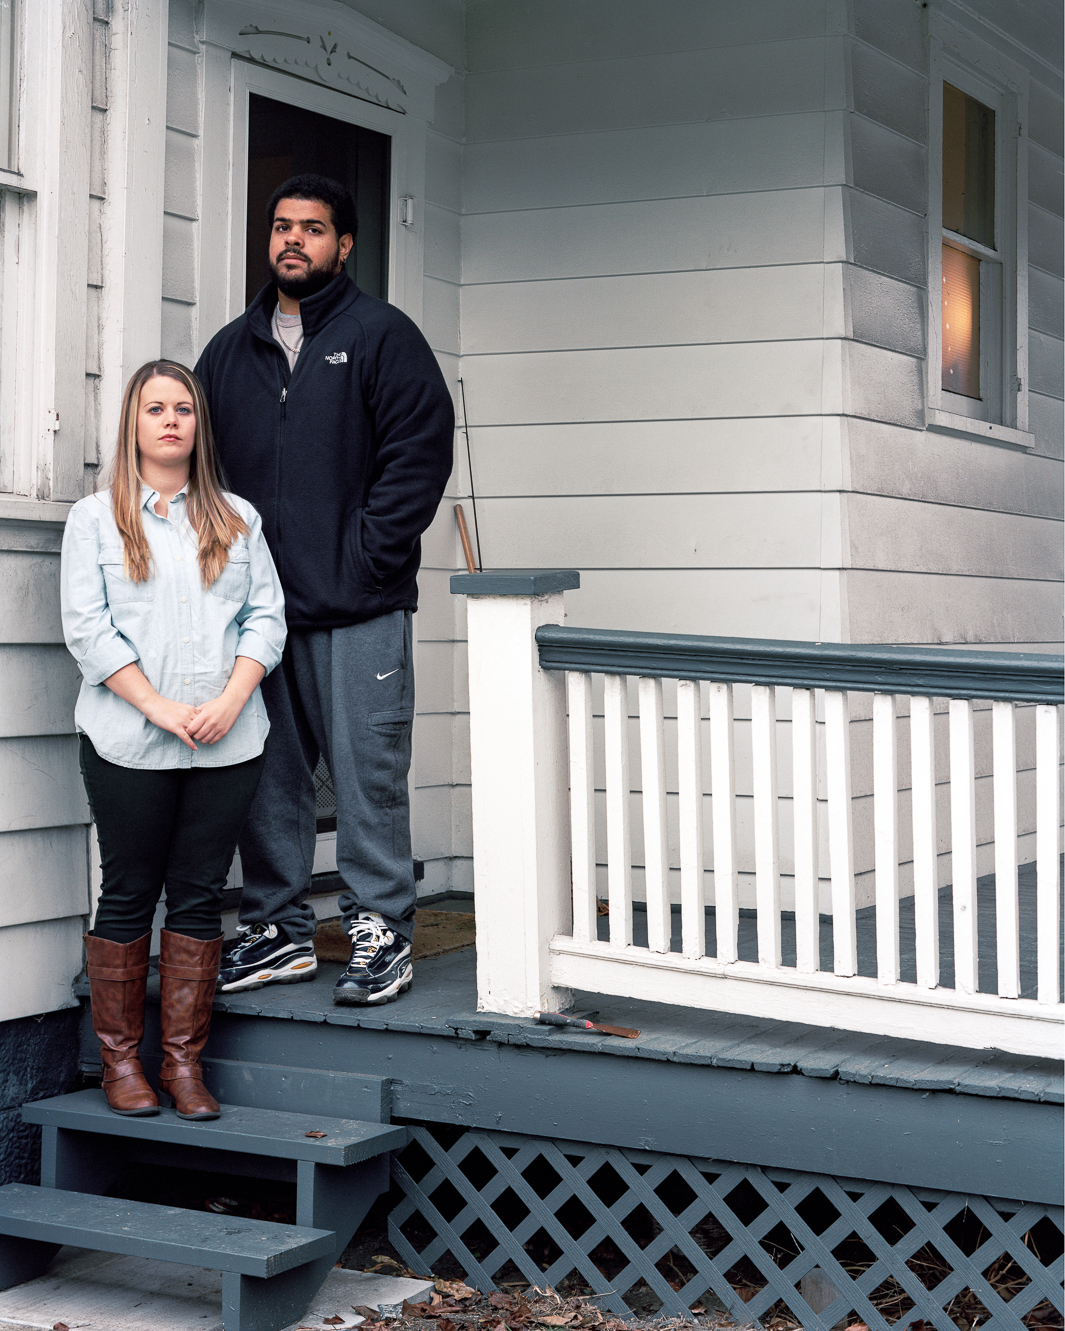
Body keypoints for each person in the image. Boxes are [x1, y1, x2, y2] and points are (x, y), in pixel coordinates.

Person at [194, 173, 453, 1006]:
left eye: (311, 228)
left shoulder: (382, 335)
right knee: (267, 775)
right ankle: (277, 931)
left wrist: (367, 558)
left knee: (366, 771)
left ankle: (380, 929)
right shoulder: (229, 352)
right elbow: (201, 471)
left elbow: (418, 455)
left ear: (344, 244)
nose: (292, 240)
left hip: (358, 607)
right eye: (280, 226)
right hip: (256, 614)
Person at [61, 360, 287, 1119]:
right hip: (129, 736)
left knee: (197, 893)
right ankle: (120, 1066)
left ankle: (183, 1065)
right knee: (128, 891)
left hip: (225, 738)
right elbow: (87, 630)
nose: (169, 420)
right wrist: (157, 706)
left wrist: (231, 697)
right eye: (154, 408)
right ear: (133, 422)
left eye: (183, 408)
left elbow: (265, 617)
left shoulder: (236, 518)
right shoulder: (97, 519)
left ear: (198, 424)